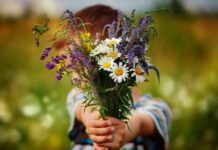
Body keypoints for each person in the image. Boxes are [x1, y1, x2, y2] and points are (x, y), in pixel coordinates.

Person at [66, 5, 172, 150]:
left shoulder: (155, 108)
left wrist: (126, 130)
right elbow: (81, 107)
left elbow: (144, 121)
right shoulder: (80, 99)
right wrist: (91, 118)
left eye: (79, 64)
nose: (72, 71)